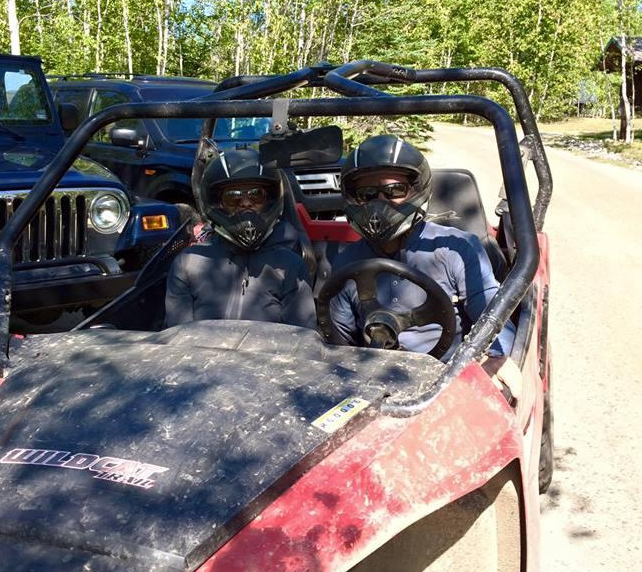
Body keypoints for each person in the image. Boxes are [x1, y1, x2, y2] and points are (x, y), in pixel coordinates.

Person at [329, 134, 520, 392]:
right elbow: (339, 340)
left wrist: (496, 356)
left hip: (448, 378)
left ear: (417, 190)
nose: (379, 204)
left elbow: (490, 309)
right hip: (373, 382)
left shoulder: (455, 248)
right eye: (367, 194)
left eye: (394, 190)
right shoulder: (346, 262)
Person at [165, 148, 317, 329]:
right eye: (233, 197)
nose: (245, 204)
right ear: (218, 204)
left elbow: (302, 339)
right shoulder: (188, 263)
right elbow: (178, 336)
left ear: (269, 201)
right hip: (201, 355)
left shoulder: (289, 264)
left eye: (256, 195)